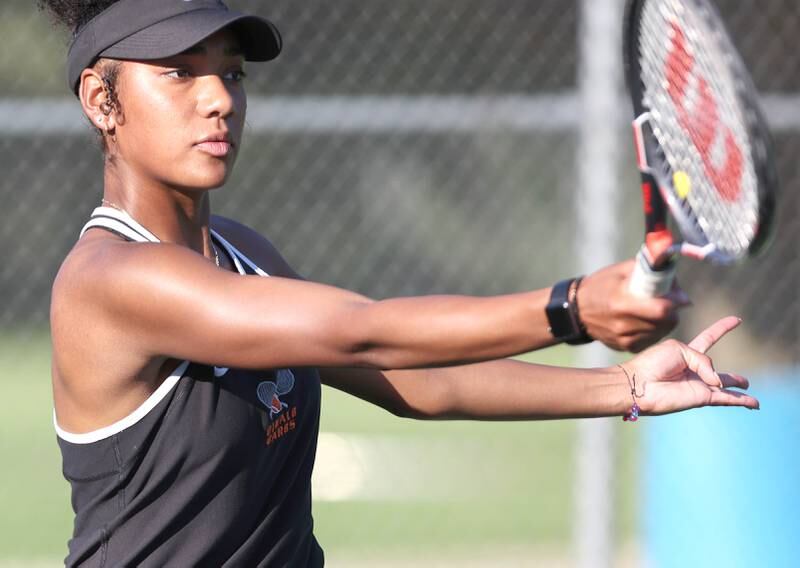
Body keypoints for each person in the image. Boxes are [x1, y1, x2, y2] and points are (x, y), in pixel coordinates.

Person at [42, 0, 759, 566]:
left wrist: (625, 387)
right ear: (102, 102)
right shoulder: (109, 281)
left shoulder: (243, 254)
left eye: (231, 72)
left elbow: (408, 376)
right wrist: (572, 308)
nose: (219, 98)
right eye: (179, 71)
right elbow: (362, 327)